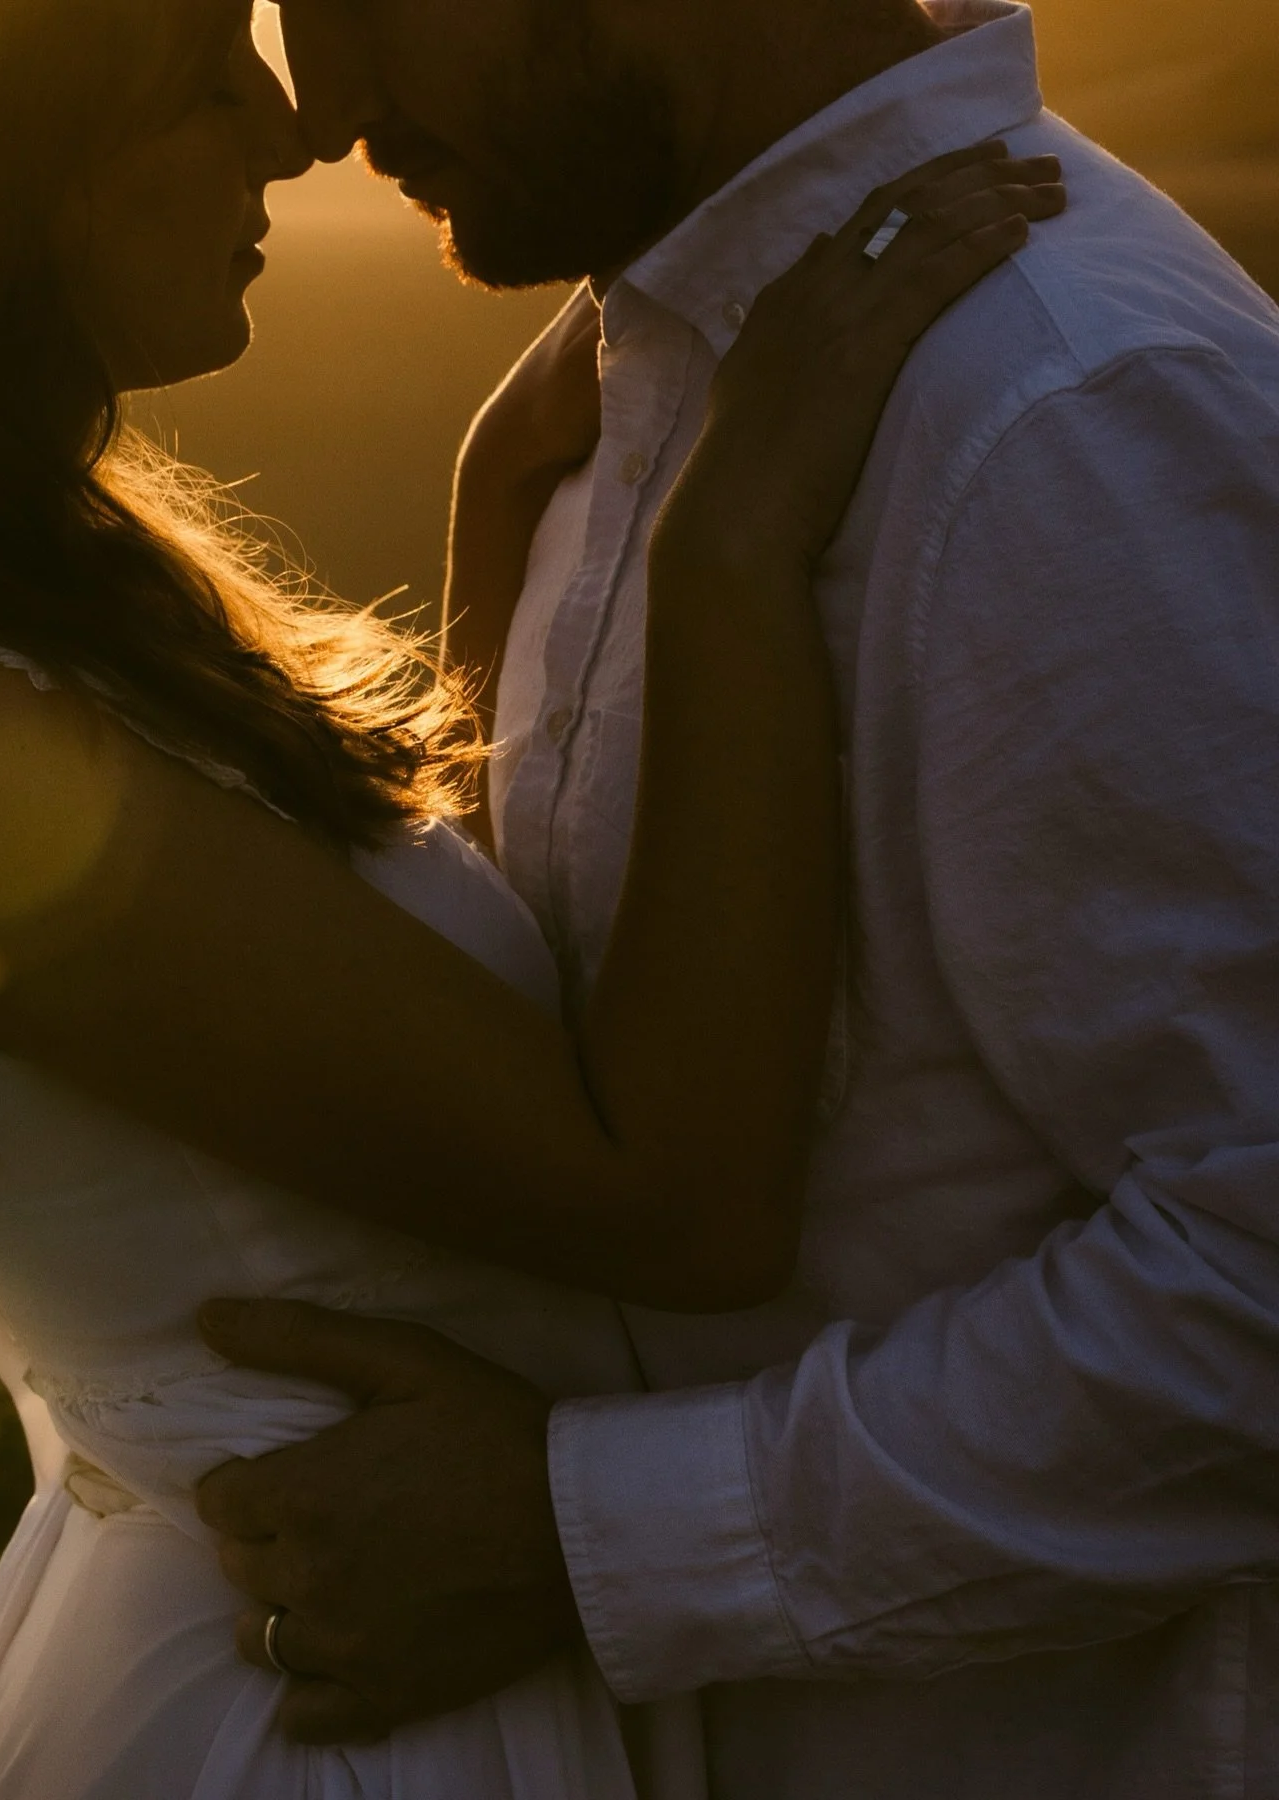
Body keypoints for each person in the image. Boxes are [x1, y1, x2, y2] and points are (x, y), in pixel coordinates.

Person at [0, 0, 1058, 1795]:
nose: (287, 131)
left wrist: (505, 502)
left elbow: (386, 991)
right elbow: (678, 1196)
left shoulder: (31, 602)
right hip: (309, 1714)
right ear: (9, 180)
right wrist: (730, 544)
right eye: (204, 73)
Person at [192, 0, 1279, 1795]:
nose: (331, 107)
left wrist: (589, 1537)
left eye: (370, 4)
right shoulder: (659, 380)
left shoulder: (1059, 407)